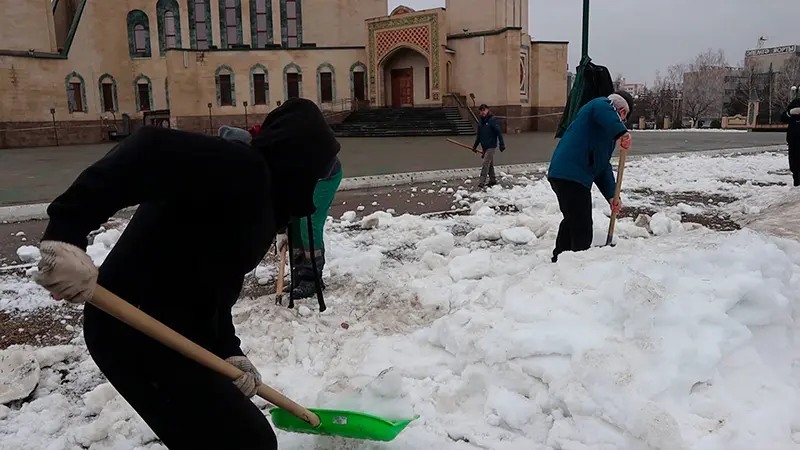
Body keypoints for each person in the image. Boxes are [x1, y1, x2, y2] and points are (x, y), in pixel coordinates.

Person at [33, 98, 340, 450]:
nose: (318, 180)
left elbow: (216, 282)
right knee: (244, 442)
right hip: (129, 329)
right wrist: (64, 234)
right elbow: (147, 149)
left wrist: (228, 349)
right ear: (297, 160)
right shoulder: (239, 168)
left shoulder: (266, 203)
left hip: (179, 334)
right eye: (318, 168)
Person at [547, 91, 634, 263]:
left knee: (572, 220)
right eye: (623, 119)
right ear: (622, 113)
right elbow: (603, 108)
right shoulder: (599, 105)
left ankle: (560, 259)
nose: (621, 123)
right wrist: (620, 132)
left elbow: (601, 167)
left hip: (567, 175)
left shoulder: (604, 134)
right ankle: (580, 264)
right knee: (582, 226)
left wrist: (612, 195)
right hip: (571, 173)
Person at [275, 154, 343, 300]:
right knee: (294, 220)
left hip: (324, 176)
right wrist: (282, 230)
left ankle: (313, 279)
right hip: (299, 176)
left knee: (309, 222)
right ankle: (300, 273)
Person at [472, 104, 506, 188]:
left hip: (491, 146)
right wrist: (475, 146)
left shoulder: (492, 120)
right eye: (481, 111)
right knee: (489, 164)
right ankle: (492, 180)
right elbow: (479, 136)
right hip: (484, 146)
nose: (482, 112)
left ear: (487, 110)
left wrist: (502, 144)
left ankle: (481, 182)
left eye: (484, 110)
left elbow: (498, 132)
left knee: (485, 163)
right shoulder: (481, 122)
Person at [780, 98, 800, 186]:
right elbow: (783, 118)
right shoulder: (795, 102)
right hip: (793, 139)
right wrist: (790, 113)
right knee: (794, 162)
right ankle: (796, 182)